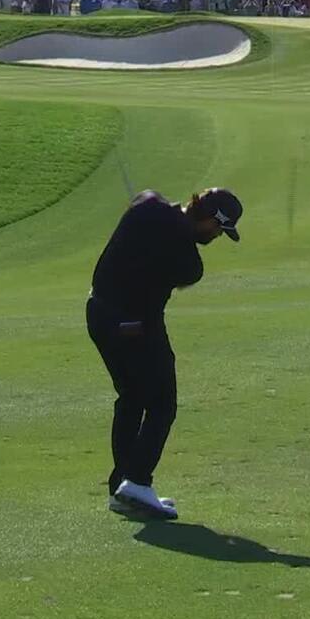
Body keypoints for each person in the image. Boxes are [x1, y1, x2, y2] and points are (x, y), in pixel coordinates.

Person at [87, 188, 243, 520]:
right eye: (218, 229)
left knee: (131, 400)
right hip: (134, 324)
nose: (216, 237)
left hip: (99, 315)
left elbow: (146, 201)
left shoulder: (149, 206)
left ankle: (123, 488)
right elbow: (186, 266)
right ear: (211, 219)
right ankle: (138, 481)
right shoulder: (187, 259)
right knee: (161, 404)